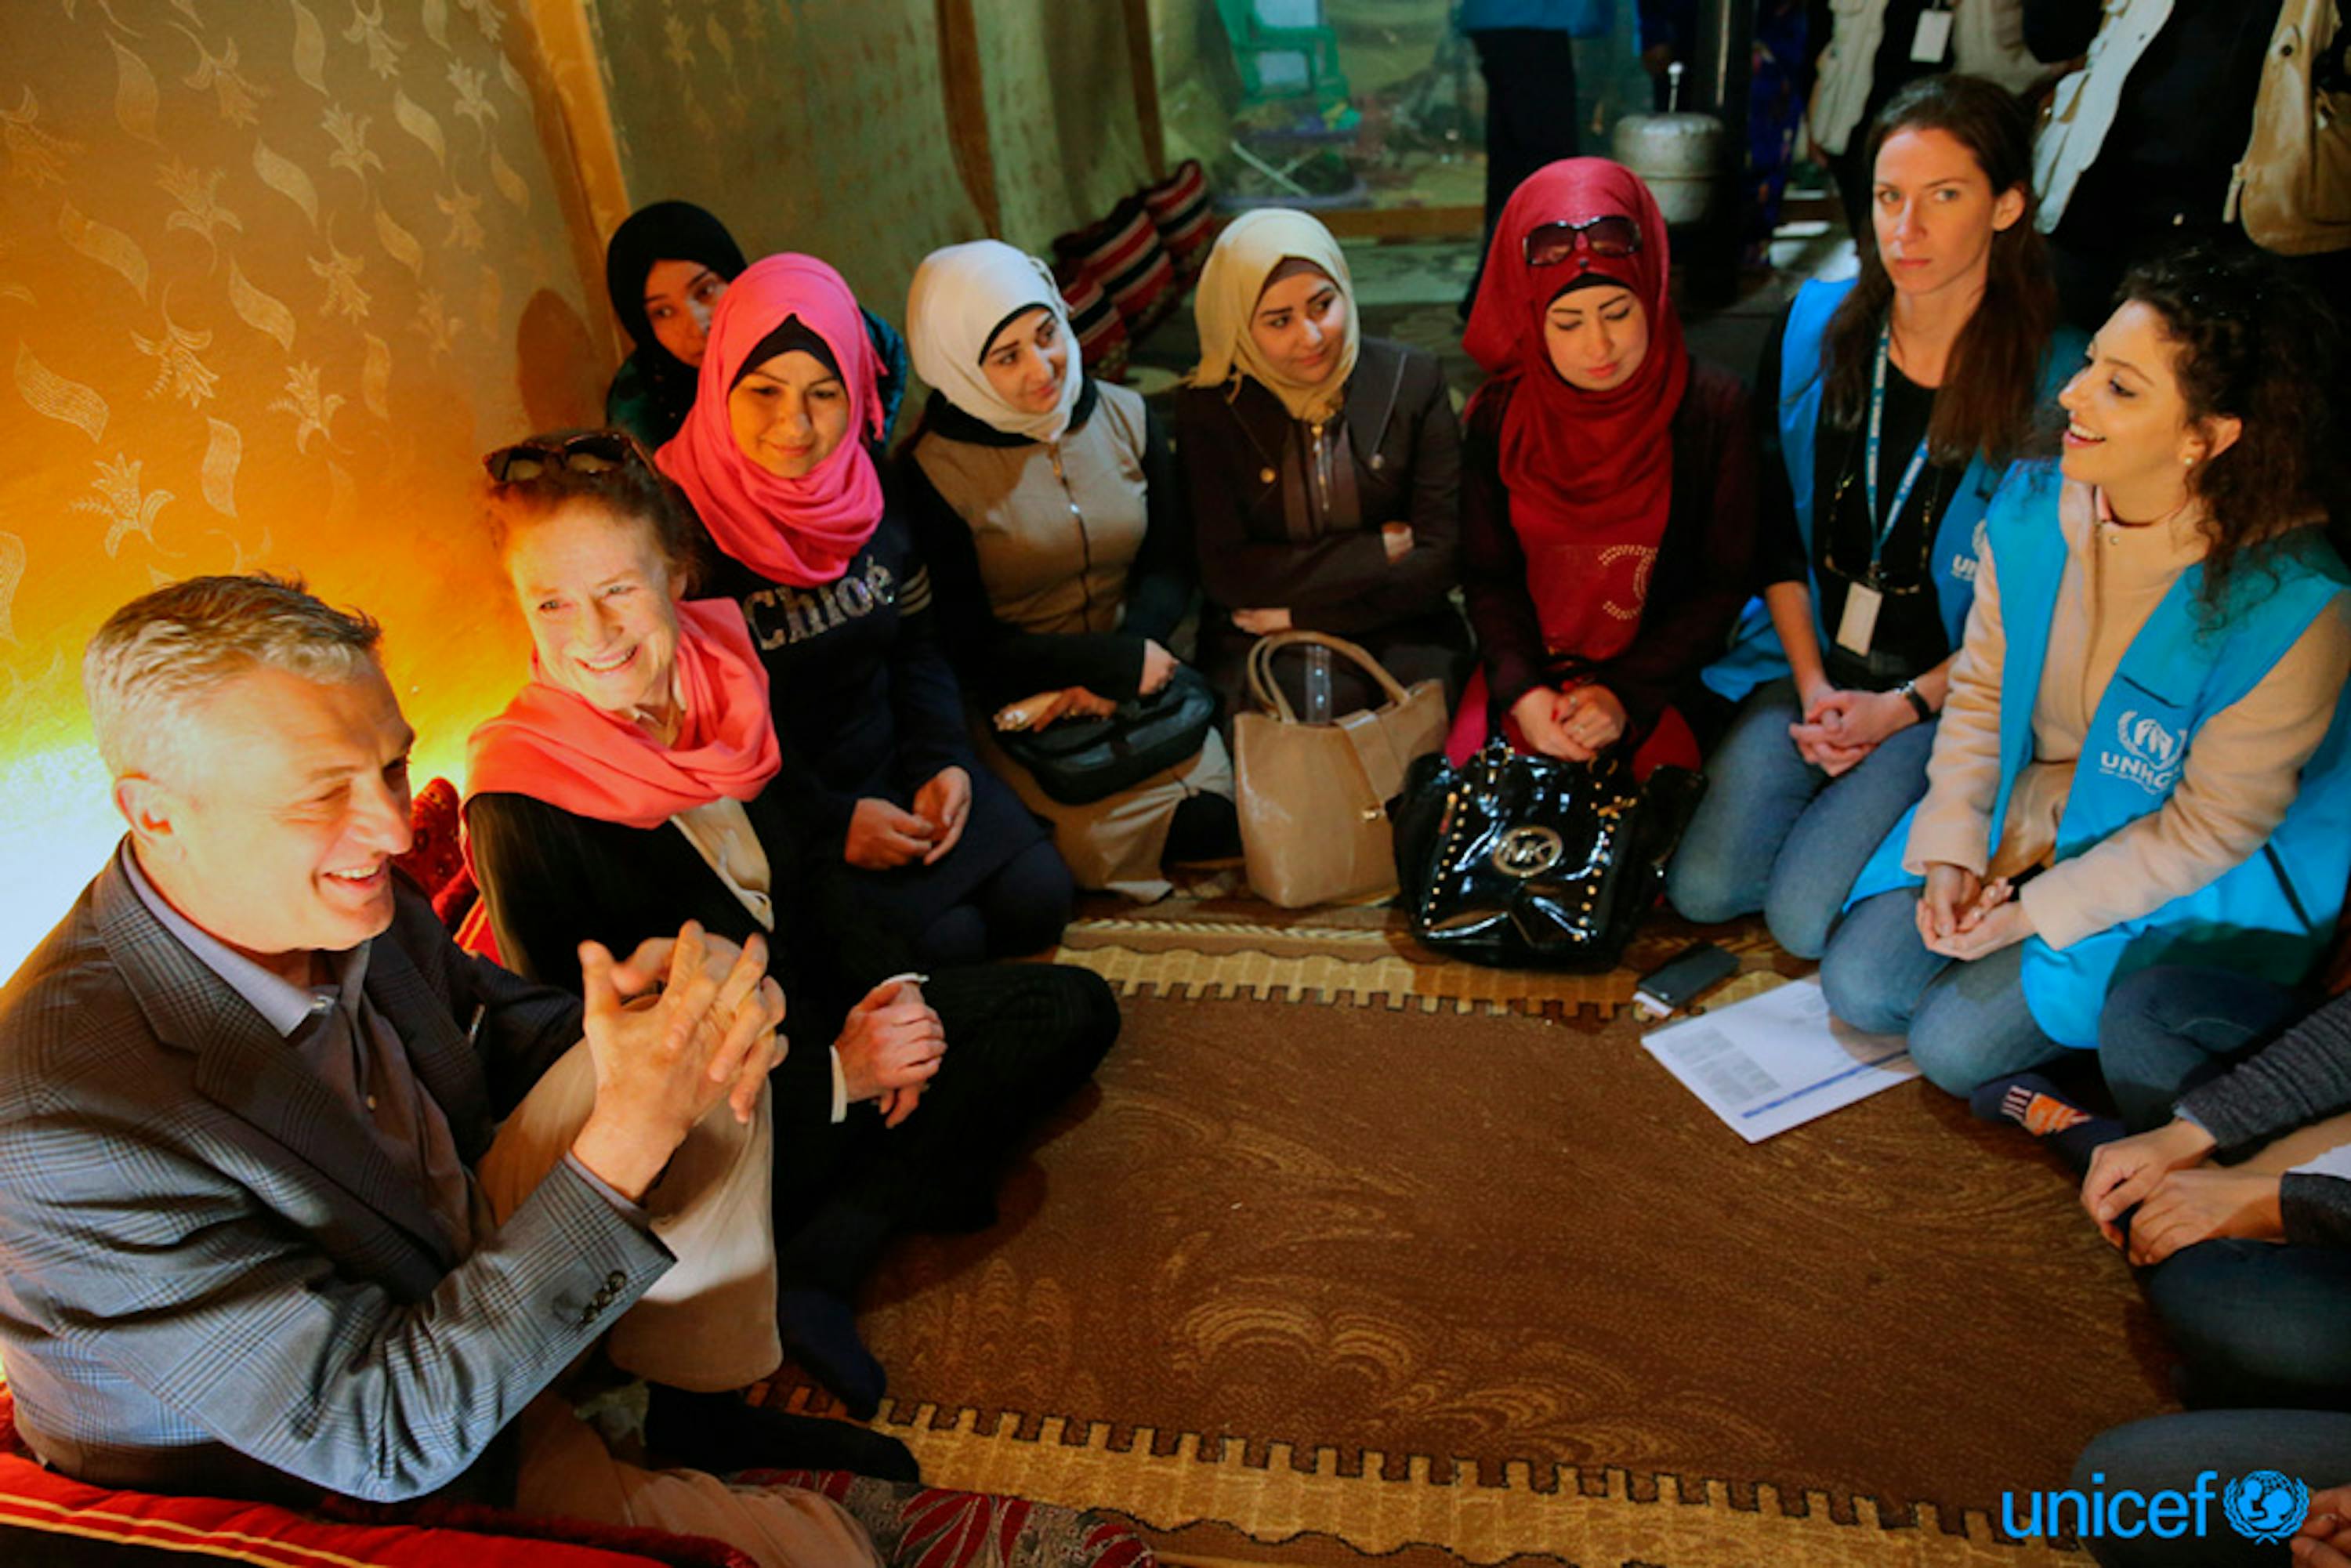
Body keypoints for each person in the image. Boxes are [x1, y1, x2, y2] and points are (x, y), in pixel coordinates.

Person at [0, 574, 897, 1568]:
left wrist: (638, 1035)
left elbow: (504, 1027)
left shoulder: (327, 893)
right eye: (323, 792)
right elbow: (378, 1434)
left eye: (392, 767)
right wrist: (626, 1138)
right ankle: (590, 1430)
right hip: (348, 1470)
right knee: (829, 1552)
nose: (392, 829)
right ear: (155, 813)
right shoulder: (55, 1127)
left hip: (446, 1266)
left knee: (701, 998)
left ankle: (696, 1410)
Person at [463, 429, 1121, 1418]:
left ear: (676, 573)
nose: (590, 633)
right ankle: (846, 1236)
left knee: (1073, 1007)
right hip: (720, 1117)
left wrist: (888, 998)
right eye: (550, 602)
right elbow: (594, 1068)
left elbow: (812, 868)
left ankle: (835, 1233)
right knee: (923, 1087)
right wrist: (835, 1075)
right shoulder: (519, 801)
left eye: (618, 591)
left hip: (811, 1009)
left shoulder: (721, 676)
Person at [1818, 243, 2351, 1098]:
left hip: (2184, 862)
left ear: (2207, 437)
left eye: (2120, 386)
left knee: (1952, 1048)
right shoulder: (2036, 502)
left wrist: (2032, 914)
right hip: (2038, 801)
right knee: (1862, 984)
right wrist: (1957, 840)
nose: (2072, 391)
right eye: (2094, 362)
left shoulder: (2296, 604)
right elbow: (1985, 692)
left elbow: (2210, 830)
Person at [1668, 74, 2082, 959]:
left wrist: (1898, 707)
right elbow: (1772, 524)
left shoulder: (2058, 379)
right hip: (1814, 661)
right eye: (1891, 197)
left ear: (2006, 207)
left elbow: (2048, 607)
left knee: (1802, 918)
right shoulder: (1820, 321)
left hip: (1944, 693)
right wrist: (1816, 685)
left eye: (1945, 196)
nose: (1908, 229)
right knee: (1704, 889)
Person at [657, 253, 1074, 966]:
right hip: (789, 808)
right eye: (763, 391)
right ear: (720, 379)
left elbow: (917, 643)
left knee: (1039, 898)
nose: (796, 424)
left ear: (857, 388)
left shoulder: (868, 483)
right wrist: (832, 823)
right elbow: (706, 739)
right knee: (952, 945)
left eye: (825, 392)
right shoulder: (678, 526)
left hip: (897, 765)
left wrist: (943, 761)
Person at [897, 240, 1238, 901]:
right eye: (1007, 356)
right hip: (1026, 695)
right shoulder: (936, 472)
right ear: (958, 364)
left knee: (1214, 821)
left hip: (1144, 672)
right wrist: (1103, 667)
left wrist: (1134, 651)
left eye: (1047, 334)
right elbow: (967, 644)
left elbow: (1171, 562)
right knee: (1087, 857)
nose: (1043, 368)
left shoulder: (1127, 414)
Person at [1453, 157, 1757, 779]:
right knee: (1467, 822)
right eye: (1566, 323)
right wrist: (1524, 693)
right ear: (1531, 320)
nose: (1598, 347)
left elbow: (1725, 581)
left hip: (1660, 680)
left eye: (1618, 314)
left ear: (1652, 291)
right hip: (1526, 676)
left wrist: (1625, 694)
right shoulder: (1500, 418)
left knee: (1650, 851)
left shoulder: (1711, 409)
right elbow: (1487, 577)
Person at [1176, 208, 1470, 721]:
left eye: (1323, 305)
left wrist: (1303, 613)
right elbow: (1225, 572)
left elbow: (1442, 557)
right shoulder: (1211, 408)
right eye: (1279, 321)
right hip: (1254, 633)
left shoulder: (1412, 379)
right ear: (1238, 323)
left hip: (1400, 619)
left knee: (1413, 752)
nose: (1311, 337)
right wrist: (1377, 551)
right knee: (1276, 753)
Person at [602, 201, 909, 450]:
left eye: (706, 291)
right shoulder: (642, 416)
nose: (698, 326)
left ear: (736, 279)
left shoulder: (803, 337)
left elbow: (882, 352)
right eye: (663, 312)